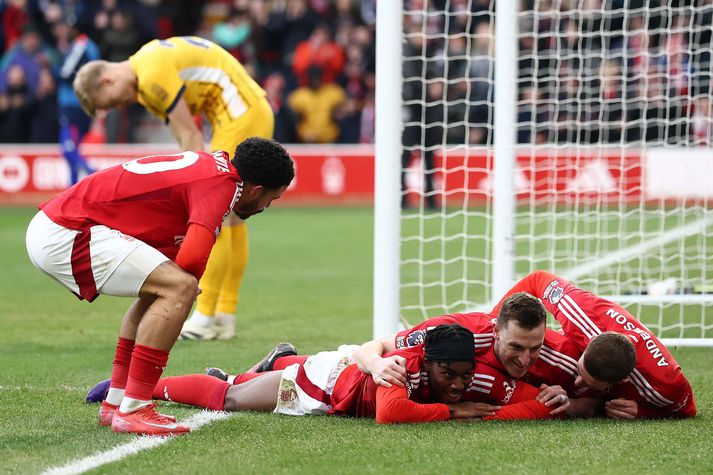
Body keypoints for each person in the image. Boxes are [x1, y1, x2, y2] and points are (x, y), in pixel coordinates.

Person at [26, 138, 294, 435]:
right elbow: (191, 261)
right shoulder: (223, 186)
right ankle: (135, 407)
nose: (267, 206)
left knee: (167, 287)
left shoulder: (214, 169)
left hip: (60, 224)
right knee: (179, 287)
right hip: (68, 232)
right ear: (256, 190)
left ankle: (116, 403)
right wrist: (185, 286)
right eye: (272, 198)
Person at [73, 35, 275, 341]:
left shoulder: (152, 74)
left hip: (239, 115)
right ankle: (223, 314)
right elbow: (186, 139)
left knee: (214, 213)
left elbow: (192, 140)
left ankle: (206, 315)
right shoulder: (148, 66)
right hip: (246, 111)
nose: (123, 104)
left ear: (106, 80)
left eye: (114, 101)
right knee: (231, 220)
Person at [89, 324, 540, 423]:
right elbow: (391, 415)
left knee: (243, 385)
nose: (460, 383)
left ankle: (274, 361)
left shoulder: (461, 367)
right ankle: (128, 387)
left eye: (464, 376)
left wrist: (544, 405)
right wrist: (455, 410)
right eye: (450, 374)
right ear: (431, 363)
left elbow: (509, 399)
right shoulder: (402, 368)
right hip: (322, 386)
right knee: (229, 397)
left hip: (341, 374)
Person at [494, 271, 697, 419]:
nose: (577, 382)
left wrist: (643, 412)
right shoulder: (584, 316)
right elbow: (537, 279)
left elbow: (687, 410)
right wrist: (493, 324)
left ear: (621, 381)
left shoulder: (666, 385)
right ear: (588, 343)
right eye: (581, 372)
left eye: (588, 383)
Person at [54, 18, 100, 184]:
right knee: (73, 149)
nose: (66, 30)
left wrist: (52, 66)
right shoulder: (87, 46)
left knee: (68, 149)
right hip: (79, 104)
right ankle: (71, 190)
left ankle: (92, 173)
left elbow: (65, 74)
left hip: (73, 105)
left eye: (70, 27)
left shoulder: (81, 45)